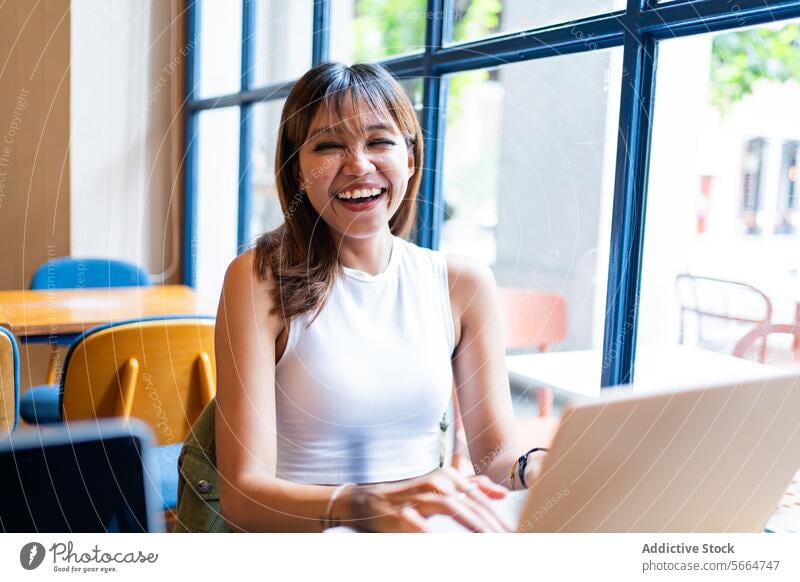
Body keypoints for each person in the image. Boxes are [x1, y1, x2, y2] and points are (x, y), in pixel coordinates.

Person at [215, 62, 546, 533]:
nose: (358, 165)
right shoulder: (258, 278)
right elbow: (243, 497)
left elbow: (495, 457)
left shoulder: (463, 285)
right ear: (297, 170)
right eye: (328, 146)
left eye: (379, 141)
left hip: (424, 539)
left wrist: (535, 467)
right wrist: (369, 507)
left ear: (411, 157)